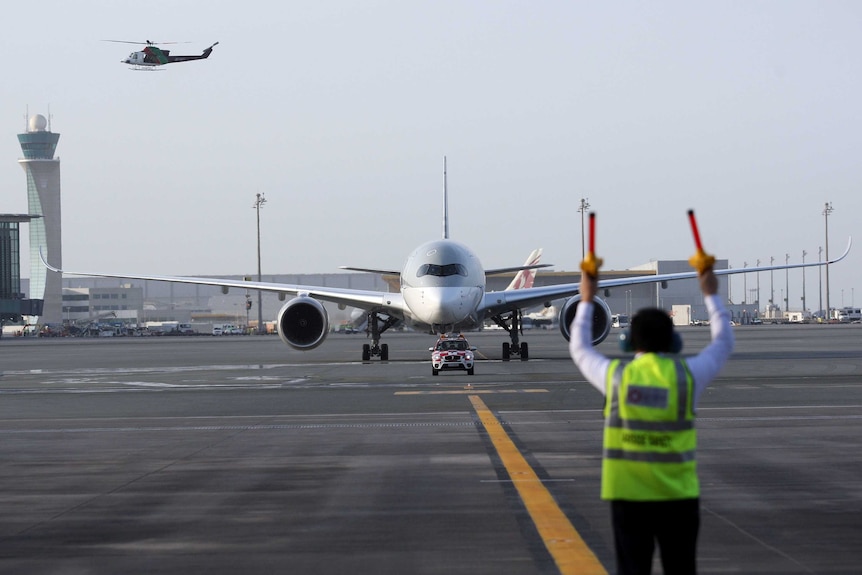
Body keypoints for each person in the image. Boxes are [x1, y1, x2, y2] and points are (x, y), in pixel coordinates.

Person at [569, 266, 734, 575]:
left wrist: (586, 297)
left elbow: (579, 348)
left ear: (628, 342)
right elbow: (724, 343)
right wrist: (711, 293)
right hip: (678, 497)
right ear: (674, 342)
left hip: (629, 497)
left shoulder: (618, 378)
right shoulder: (687, 377)